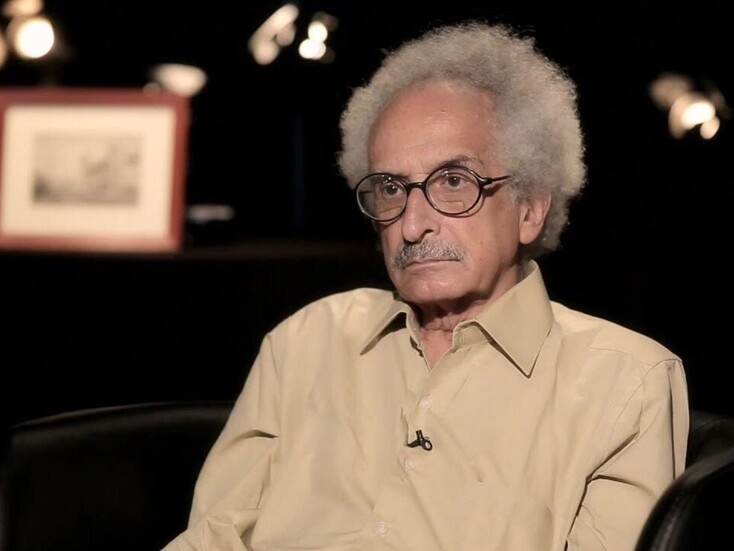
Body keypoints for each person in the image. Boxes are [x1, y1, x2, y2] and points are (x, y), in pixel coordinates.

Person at [163, 20, 689, 551]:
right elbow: (211, 537)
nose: (412, 226)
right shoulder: (306, 341)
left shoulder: (626, 382)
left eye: (454, 181)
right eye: (391, 188)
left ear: (530, 208)